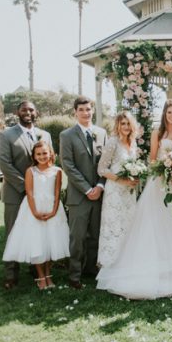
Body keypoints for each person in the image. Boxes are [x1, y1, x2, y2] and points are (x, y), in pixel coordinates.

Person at [96, 99, 172, 299]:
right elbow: (152, 160)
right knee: (158, 222)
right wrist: (166, 170)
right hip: (160, 183)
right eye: (169, 112)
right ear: (164, 114)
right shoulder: (157, 133)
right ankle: (155, 266)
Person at [0, 100, 52, 290]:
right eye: (24, 109)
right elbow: (4, 163)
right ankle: (11, 274)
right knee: (13, 232)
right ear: (17, 112)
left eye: (31, 109)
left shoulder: (45, 135)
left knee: (37, 231)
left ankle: (34, 267)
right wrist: (27, 187)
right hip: (16, 192)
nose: (27, 112)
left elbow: (50, 161)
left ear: (36, 112)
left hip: (41, 194)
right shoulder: (6, 135)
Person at [2, 141, 70, 290]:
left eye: (45, 153)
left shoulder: (57, 171)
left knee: (50, 241)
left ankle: (48, 274)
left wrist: (53, 211)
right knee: (37, 241)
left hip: (52, 209)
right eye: (38, 154)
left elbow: (57, 192)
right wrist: (35, 212)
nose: (42, 156)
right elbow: (30, 193)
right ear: (34, 156)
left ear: (51, 154)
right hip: (33, 209)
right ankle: (40, 277)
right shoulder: (31, 171)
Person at [60, 96, 107, 289]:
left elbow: (107, 162)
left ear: (92, 111)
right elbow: (68, 165)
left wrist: (100, 186)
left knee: (95, 235)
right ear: (75, 112)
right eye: (81, 110)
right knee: (77, 237)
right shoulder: (67, 135)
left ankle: (91, 268)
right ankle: (74, 275)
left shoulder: (101, 133)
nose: (86, 113)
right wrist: (87, 189)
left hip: (99, 192)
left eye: (88, 109)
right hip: (79, 195)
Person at [96, 111, 139, 268]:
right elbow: (101, 169)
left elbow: (134, 166)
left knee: (128, 225)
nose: (126, 126)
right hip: (115, 191)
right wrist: (122, 180)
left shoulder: (133, 143)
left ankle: (127, 262)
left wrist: (136, 177)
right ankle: (111, 264)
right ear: (118, 125)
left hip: (129, 192)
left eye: (128, 123)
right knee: (115, 225)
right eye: (123, 123)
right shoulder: (112, 142)